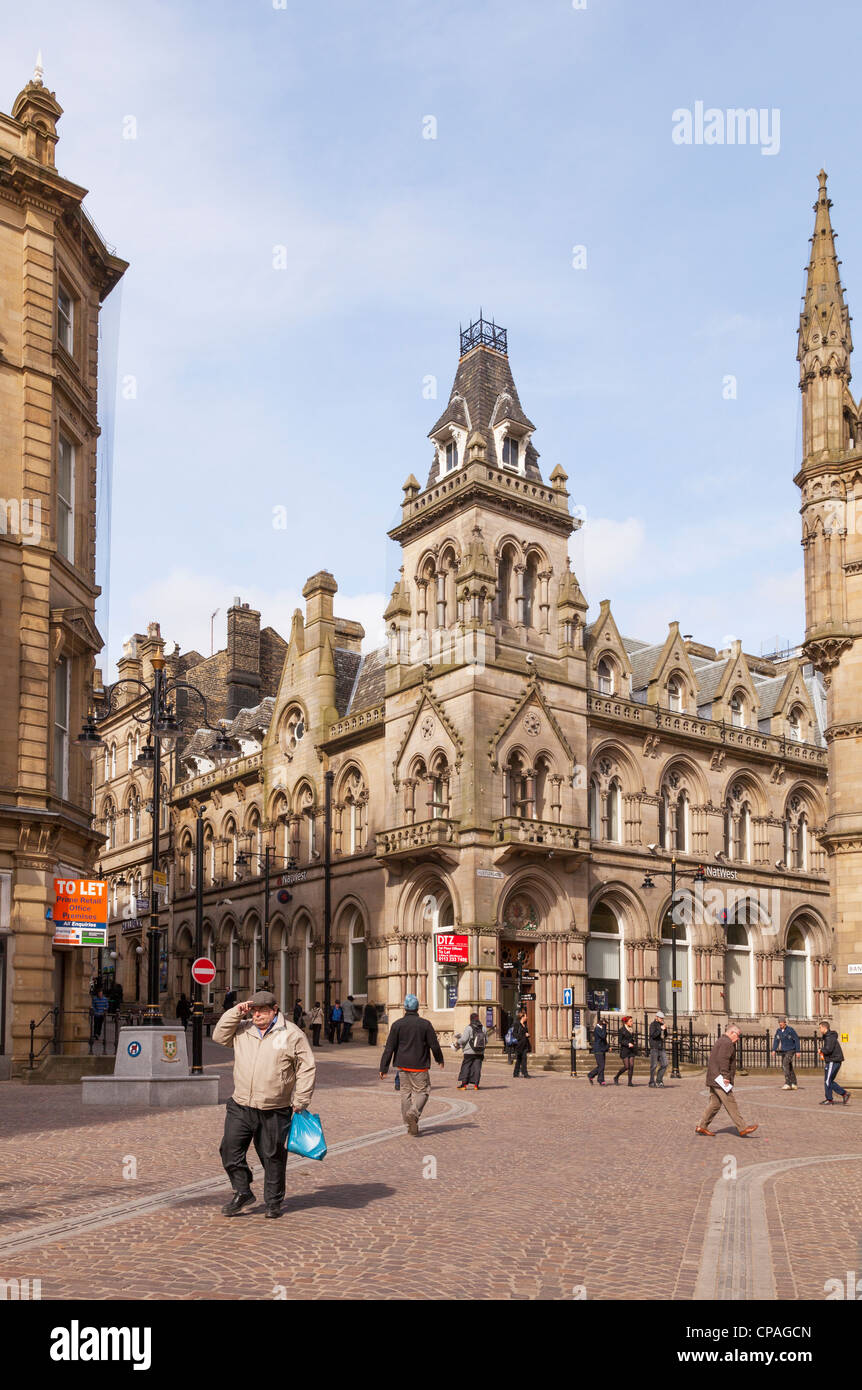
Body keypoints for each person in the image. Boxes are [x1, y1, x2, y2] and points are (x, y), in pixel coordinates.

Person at [213, 990, 316, 1219]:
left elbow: (306, 1067)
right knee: (229, 1149)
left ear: (274, 1010)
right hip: (241, 1104)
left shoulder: (292, 1034)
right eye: (254, 1010)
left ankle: (273, 1201)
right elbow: (219, 1037)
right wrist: (236, 1012)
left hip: (274, 1107)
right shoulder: (243, 1029)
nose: (257, 1015)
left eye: (262, 1011)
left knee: (272, 1156)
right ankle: (242, 1191)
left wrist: (301, 1099)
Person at [379, 994, 444, 1136]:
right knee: (423, 1091)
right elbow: (434, 1045)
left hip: (402, 1066)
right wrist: (439, 1059)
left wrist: (383, 1068)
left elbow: (389, 1047)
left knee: (405, 1094)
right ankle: (413, 1114)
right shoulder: (425, 1024)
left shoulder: (397, 1024)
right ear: (417, 1008)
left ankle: (409, 1124)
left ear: (405, 1008)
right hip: (419, 1065)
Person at [696, 1023, 758, 1137]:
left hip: (713, 1077)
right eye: (737, 1035)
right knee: (730, 1102)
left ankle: (702, 1126)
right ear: (731, 1032)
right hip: (720, 1079)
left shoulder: (722, 1041)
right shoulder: (727, 1042)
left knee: (714, 1104)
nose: (738, 1038)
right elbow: (723, 1060)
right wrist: (726, 1077)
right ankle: (743, 1128)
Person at [818, 1020, 851, 1105]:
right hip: (833, 1060)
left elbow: (828, 1049)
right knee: (829, 1080)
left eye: (820, 1027)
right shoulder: (828, 1036)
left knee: (828, 1081)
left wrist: (821, 1050)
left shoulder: (830, 1037)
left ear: (825, 1028)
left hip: (833, 1060)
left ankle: (832, 1098)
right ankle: (843, 1094)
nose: (819, 1029)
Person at [453, 1012, 487, 1090]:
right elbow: (486, 1041)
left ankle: (464, 1085)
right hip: (480, 1052)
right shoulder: (484, 1028)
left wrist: (458, 1042)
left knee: (466, 1067)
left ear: (471, 1019)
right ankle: (476, 1085)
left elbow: (464, 1039)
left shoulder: (469, 1028)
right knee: (477, 1068)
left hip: (469, 1052)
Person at [772, 1018, 800, 1090]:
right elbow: (776, 1040)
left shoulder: (790, 1030)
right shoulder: (778, 1031)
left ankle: (788, 1083)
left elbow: (796, 1040)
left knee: (785, 1064)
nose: (780, 1024)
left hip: (791, 1050)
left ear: (785, 1023)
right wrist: (774, 1049)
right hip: (784, 1050)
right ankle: (794, 1083)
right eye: (779, 1023)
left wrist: (798, 1051)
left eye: (781, 1023)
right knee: (789, 1066)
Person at [613, 1016, 637, 1086]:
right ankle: (616, 1077)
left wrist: (633, 1043)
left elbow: (632, 1039)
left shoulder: (631, 1029)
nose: (632, 1022)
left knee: (631, 1065)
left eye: (632, 1021)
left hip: (631, 1050)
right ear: (626, 1022)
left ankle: (630, 1082)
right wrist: (627, 1044)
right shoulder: (622, 1030)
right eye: (630, 1021)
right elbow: (620, 1041)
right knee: (627, 1066)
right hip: (625, 1050)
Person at [648, 1011, 669, 1088]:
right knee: (654, 1065)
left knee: (665, 1064)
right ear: (656, 1017)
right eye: (660, 1018)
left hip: (661, 1047)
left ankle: (659, 1080)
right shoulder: (652, 1025)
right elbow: (653, 1035)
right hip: (654, 1047)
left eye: (662, 1018)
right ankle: (651, 1082)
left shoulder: (662, 1024)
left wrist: (665, 1029)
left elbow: (666, 1035)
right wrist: (660, 1029)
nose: (662, 1019)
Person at [587, 1016, 609, 1086]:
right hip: (598, 1049)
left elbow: (604, 1039)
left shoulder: (601, 1028)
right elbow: (602, 1036)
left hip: (602, 1048)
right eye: (604, 1023)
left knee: (601, 1066)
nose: (605, 1025)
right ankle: (600, 1080)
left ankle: (591, 1075)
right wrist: (605, 1026)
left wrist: (607, 1047)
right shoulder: (597, 1028)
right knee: (601, 1065)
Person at [512, 1008, 531, 1078]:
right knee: (520, 1059)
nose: (527, 1017)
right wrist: (523, 1035)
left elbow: (525, 1033)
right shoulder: (517, 1024)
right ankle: (521, 1073)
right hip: (519, 1045)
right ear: (522, 1016)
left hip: (525, 1044)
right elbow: (514, 1034)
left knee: (523, 1059)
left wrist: (527, 1035)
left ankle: (519, 1073)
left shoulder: (525, 1025)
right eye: (526, 1016)